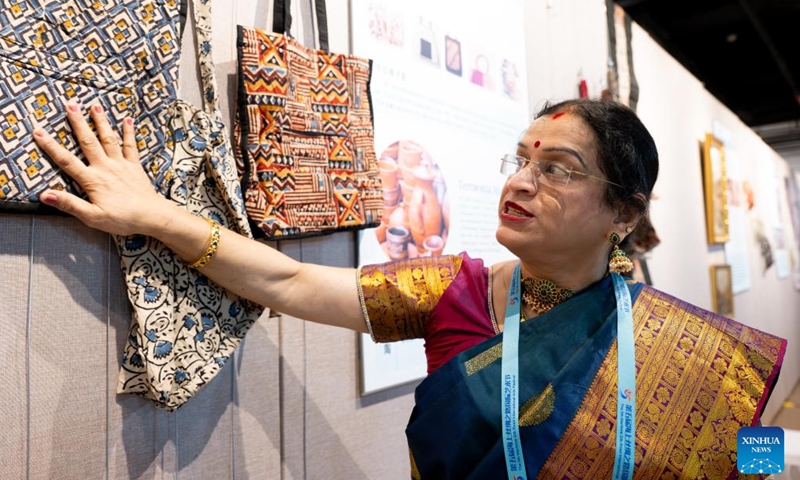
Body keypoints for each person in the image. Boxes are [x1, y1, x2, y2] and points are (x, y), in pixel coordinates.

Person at [32, 99, 785, 479]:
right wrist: (155, 215)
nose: (521, 182)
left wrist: (779, 455)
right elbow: (288, 280)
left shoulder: (687, 350)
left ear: (623, 213)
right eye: (521, 159)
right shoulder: (453, 291)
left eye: (558, 169)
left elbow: (726, 447)